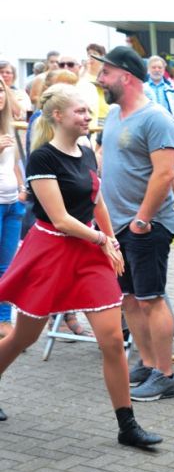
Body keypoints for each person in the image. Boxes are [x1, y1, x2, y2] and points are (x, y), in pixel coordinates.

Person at [0, 84, 161, 447]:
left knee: (112, 341)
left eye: (89, 111)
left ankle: (127, 426)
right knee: (25, 336)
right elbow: (59, 219)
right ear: (58, 115)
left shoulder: (87, 150)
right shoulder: (42, 158)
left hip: (88, 251)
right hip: (51, 252)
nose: (88, 117)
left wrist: (111, 240)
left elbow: (97, 201)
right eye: (81, 111)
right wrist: (103, 240)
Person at [93, 46, 174, 402]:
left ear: (126, 76)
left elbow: (164, 173)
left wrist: (143, 219)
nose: (100, 79)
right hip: (117, 226)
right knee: (130, 299)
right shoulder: (115, 115)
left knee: (151, 300)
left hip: (147, 225)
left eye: (106, 73)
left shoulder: (156, 118)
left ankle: (166, 375)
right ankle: (147, 363)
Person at [0, 77, 27, 339]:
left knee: (7, 267)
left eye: (0, 90)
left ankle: (4, 319)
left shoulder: (9, 125)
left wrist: (21, 189)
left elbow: (14, 163)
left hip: (11, 204)